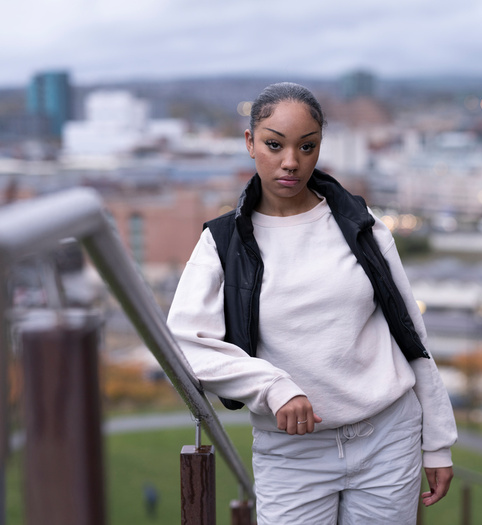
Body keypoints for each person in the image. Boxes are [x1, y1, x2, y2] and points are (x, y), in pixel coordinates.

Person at [167, 82, 457, 524]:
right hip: (292, 454)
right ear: (249, 142)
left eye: (307, 146)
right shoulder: (222, 243)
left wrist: (436, 442)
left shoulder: (360, 223)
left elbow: (410, 334)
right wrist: (273, 387)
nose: (291, 162)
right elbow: (187, 345)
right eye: (274, 144)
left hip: (388, 438)